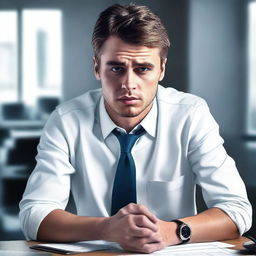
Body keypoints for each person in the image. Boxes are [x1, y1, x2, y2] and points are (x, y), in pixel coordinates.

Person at [19, 3, 252, 254]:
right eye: (116, 68)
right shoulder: (66, 120)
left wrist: (171, 231)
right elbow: (34, 215)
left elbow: (236, 210)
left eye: (143, 69)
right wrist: (106, 228)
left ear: (161, 69)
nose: (128, 84)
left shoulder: (191, 115)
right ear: (97, 67)